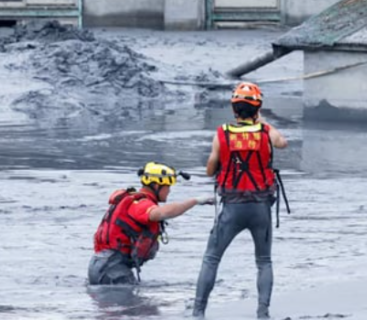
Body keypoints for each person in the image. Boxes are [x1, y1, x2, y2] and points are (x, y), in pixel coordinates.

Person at [193, 82, 288, 319]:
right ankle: (263, 314)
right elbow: (282, 143)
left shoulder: (222, 134)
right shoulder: (266, 132)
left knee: (211, 258)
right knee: (264, 261)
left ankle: (198, 313)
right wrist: (262, 122)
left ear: (234, 109)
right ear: (258, 109)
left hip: (232, 208)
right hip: (260, 208)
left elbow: (209, 170)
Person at [88, 162, 215, 285]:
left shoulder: (135, 200)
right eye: (167, 187)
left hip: (102, 264)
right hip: (111, 269)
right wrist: (196, 201)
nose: (169, 191)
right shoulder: (141, 204)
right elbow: (160, 214)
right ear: (156, 186)